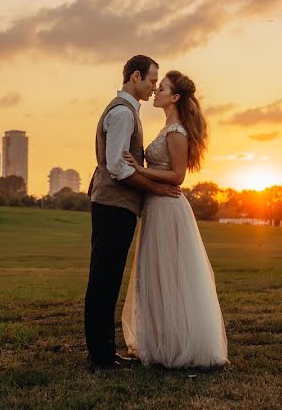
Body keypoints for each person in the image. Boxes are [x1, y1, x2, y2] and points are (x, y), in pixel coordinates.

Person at [120, 69, 228, 369]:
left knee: (170, 275)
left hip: (168, 207)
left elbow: (178, 176)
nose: (156, 91)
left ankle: (181, 345)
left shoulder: (177, 132)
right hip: (156, 206)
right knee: (153, 275)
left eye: (162, 87)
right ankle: (160, 342)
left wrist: (139, 169)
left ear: (175, 97)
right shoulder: (167, 127)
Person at [84, 55, 182, 372]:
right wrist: (153, 187)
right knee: (104, 280)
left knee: (109, 280)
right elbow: (116, 166)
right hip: (113, 206)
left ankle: (105, 352)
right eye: (153, 80)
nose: (155, 87)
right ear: (136, 76)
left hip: (117, 206)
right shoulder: (123, 113)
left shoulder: (128, 112)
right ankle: (100, 357)